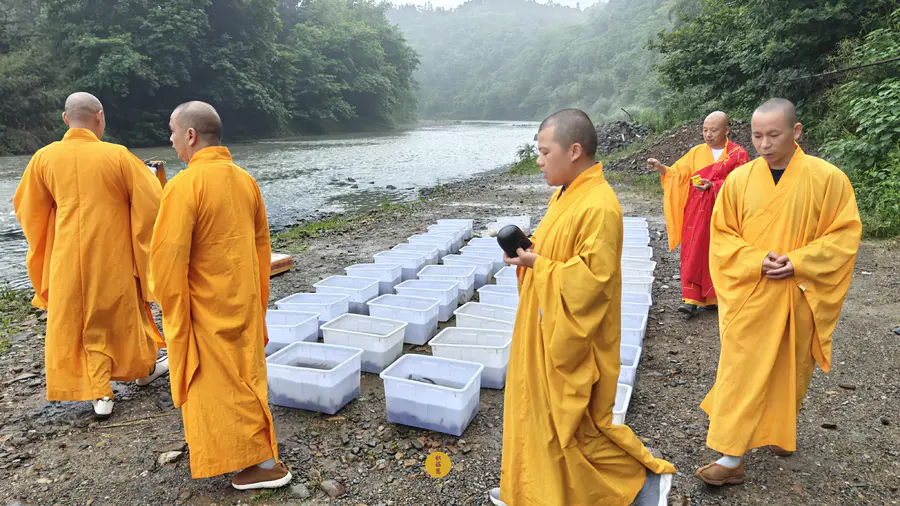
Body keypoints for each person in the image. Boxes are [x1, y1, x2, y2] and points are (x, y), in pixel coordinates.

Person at [490, 109, 675, 506]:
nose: (538, 161)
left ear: (574, 151)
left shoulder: (600, 206)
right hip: (544, 324)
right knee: (540, 416)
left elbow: (593, 282)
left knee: (573, 424)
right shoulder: (567, 193)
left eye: (544, 152)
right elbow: (560, 248)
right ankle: (534, 488)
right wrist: (531, 253)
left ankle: (640, 485)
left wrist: (538, 265)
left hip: (573, 336)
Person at [696, 98, 861, 485]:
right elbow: (722, 237)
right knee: (740, 372)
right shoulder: (739, 180)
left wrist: (800, 261)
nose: (764, 144)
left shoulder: (828, 179)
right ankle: (731, 458)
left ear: (796, 131)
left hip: (797, 294)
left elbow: (844, 236)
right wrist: (756, 259)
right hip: (751, 294)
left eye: (773, 134)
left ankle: (780, 429)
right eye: (757, 136)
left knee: (791, 369)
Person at [149, 101, 291, 489]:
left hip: (205, 310)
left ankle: (264, 465)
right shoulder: (245, 181)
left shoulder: (183, 186)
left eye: (173, 131)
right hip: (243, 300)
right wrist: (257, 300)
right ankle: (250, 455)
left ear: (191, 135)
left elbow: (167, 261)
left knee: (218, 387)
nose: (171, 139)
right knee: (245, 378)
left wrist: (174, 313)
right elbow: (261, 249)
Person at [13, 92, 168, 418]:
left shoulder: (43, 158)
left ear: (65, 119)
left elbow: (28, 211)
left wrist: (54, 228)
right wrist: (152, 182)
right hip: (113, 253)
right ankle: (141, 369)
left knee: (80, 320)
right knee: (124, 312)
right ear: (99, 117)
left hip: (67, 255)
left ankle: (102, 393)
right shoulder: (118, 155)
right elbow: (151, 203)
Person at [647, 112, 750, 318]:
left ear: (726, 130)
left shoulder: (738, 155)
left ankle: (714, 297)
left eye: (714, 130)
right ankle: (691, 300)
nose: (708, 134)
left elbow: (742, 184)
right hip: (695, 211)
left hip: (722, 211)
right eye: (705, 130)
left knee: (718, 251)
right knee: (693, 252)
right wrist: (662, 168)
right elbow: (678, 174)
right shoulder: (696, 152)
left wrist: (714, 186)